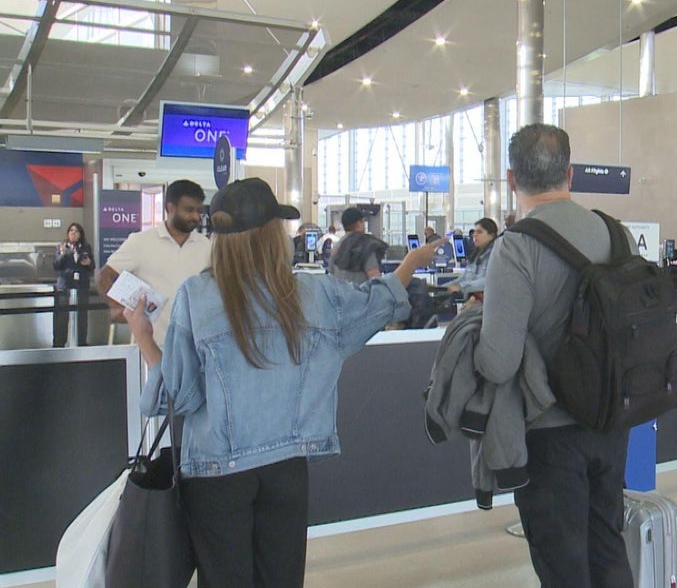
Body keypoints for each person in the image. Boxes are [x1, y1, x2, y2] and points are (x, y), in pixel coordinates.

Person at [127, 177, 443, 588]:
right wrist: (410, 263)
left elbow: (178, 395)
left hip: (216, 473)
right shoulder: (313, 293)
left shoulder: (196, 296)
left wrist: (144, 338)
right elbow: (377, 303)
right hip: (287, 470)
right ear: (272, 235)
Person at [475, 124, 636, 588]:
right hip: (611, 422)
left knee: (564, 567)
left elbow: (499, 363)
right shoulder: (617, 234)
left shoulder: (516, 247)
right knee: (608, 549)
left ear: (511, 180)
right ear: (570, 173)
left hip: (549, 434)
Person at [99, 179, 210, 345]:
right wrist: (116, 307)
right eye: (188, 210)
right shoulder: (141, 242)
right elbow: (105, 275)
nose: (195, 216)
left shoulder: (206, 246)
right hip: (153, 345)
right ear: (170, 208)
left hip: (196, 346)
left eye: (198, 211)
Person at [52, 222, 95, 347]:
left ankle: (81, 342)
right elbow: (56, 265)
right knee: (62, 315)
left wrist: (89, 263)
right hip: (65, 285)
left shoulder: (86, 247)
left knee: (82, 314)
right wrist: (64, 254)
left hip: (81, 285)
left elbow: (92, 266)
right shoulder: (62, 247)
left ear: (80, 234)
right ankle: (59, 342)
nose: (73, 233)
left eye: (76, 231)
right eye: (71, 230)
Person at [330, 207, 388, 284]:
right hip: (361, 291)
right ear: (358, 224)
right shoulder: (365, 245)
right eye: (363, 222)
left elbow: (331, 273)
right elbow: (374, 277)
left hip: (339, 291)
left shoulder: (336, 247)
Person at [446, 217, 498, 301]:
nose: (475, 235)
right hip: (470, 301)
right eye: (474, 232)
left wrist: (461, 287)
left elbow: (490, 281)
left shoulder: (497, 256)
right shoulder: (475, 256)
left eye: (479, 232)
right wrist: (441, 288)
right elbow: (463, 278)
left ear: (491, 235)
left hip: (486, 303)